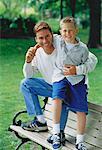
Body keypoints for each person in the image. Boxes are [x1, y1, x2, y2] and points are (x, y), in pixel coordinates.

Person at [20, 21, 97, 149]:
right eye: (40, 38)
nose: (45, 41)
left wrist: (77, 70)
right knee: (25, 84)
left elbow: (93, 59)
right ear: (36, 39)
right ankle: (40, 120)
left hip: (70, 85)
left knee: (61, 96)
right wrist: (28, 62)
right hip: (52, 85)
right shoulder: (37, 53)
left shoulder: (62, 42)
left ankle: (60, 132)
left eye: (47, 36)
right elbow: (28, 75)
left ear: (53, 35)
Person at [48, 16, 97, 150]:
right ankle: (56, 133)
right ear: (60, 31)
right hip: (60, 76)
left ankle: (80, 140)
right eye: (64, 31)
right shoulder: (58, 41)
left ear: (76, 31)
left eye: (70, 30)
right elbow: (44, 38)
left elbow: (89, 61)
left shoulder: (83, 49)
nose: (67, 34)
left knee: (81, 109)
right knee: (57, 98)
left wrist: (77, 70)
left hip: (77, 80)